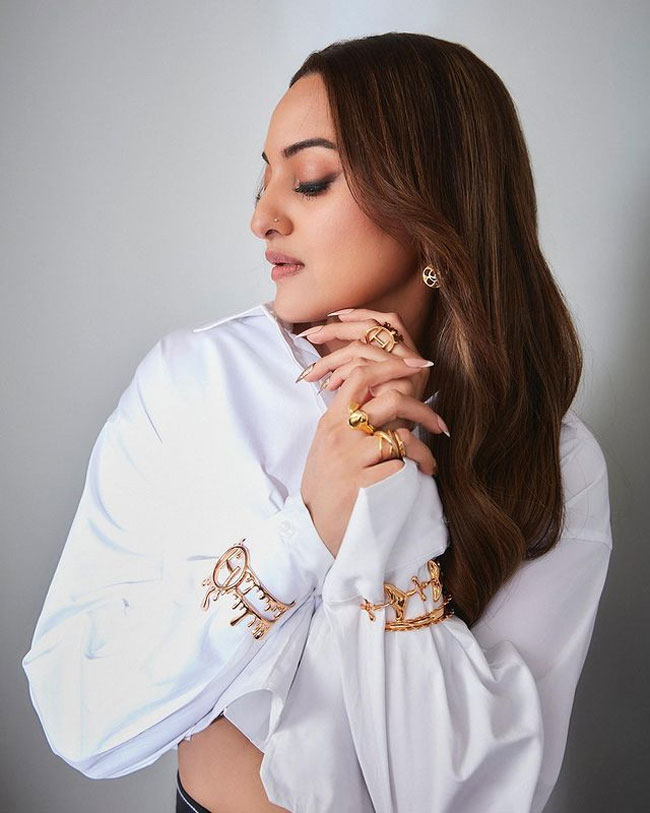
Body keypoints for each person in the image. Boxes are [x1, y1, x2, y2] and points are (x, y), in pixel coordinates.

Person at [22, 32, 612, 813]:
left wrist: (393, 505)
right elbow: (80, 716)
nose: (261, 218)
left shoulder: (555, 463)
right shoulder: (197, 380)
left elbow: (468, 797)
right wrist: (302, 534)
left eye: (309, 180)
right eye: (264, 180)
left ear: (430, 204)